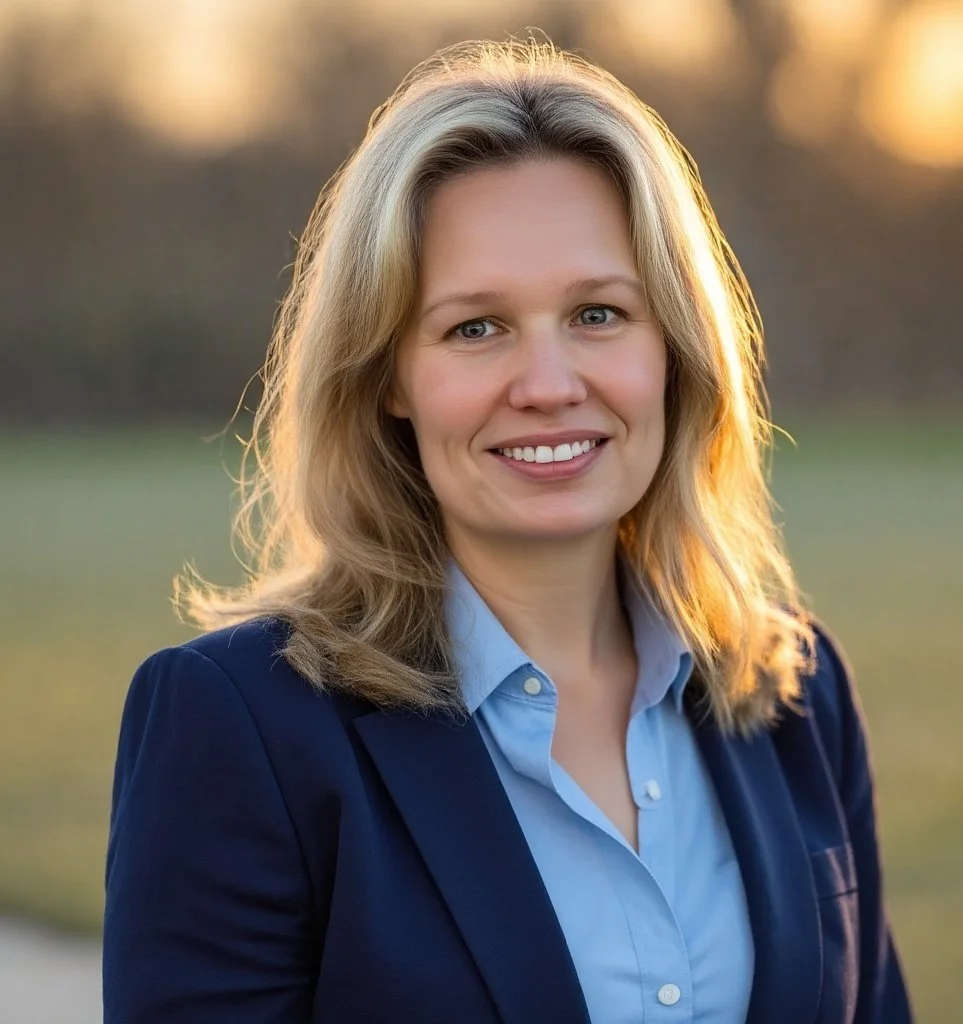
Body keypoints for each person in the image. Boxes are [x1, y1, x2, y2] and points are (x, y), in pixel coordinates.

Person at [103, 39, 913, 1023]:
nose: (548, 385)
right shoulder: (240, 727)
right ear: (387, 375)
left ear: (674, 348)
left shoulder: (793, 688)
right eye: (475, 328)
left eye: (599, 313)